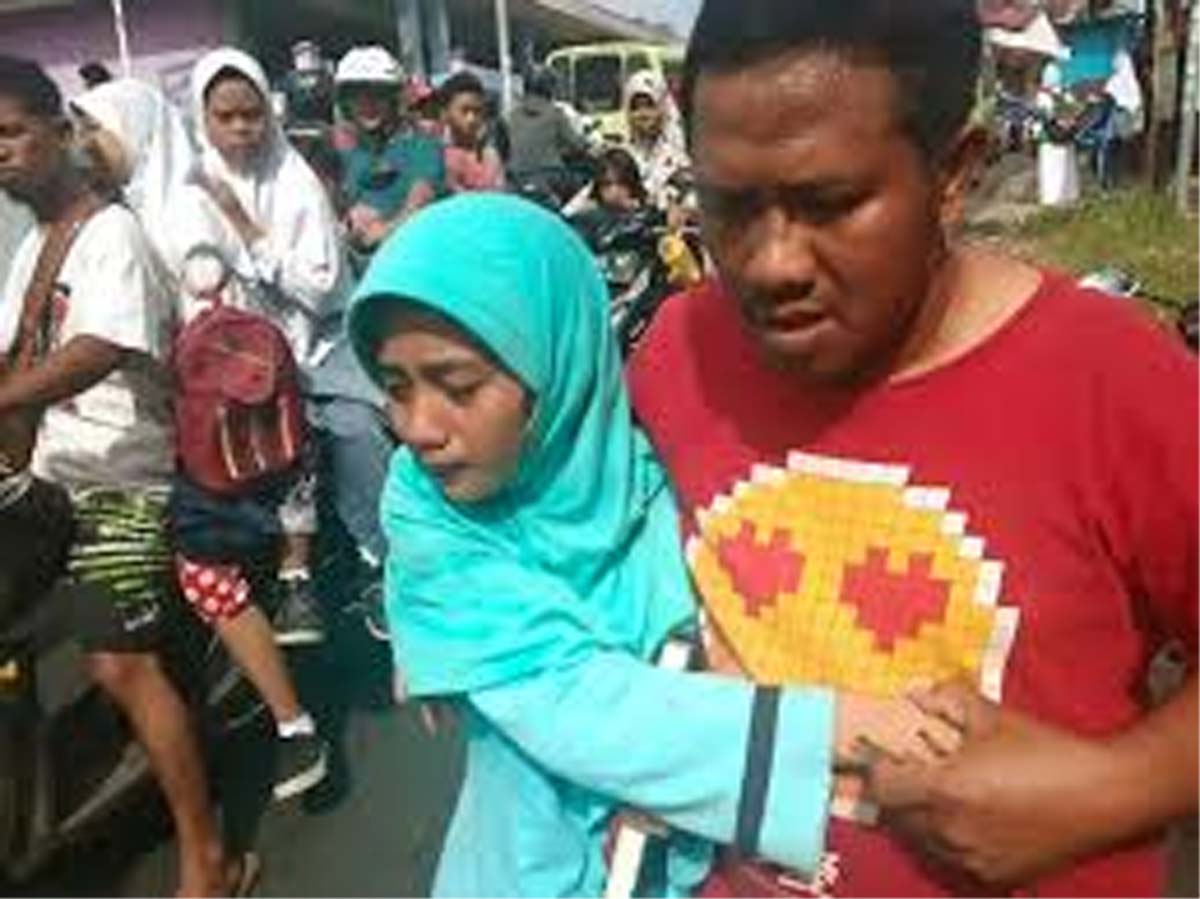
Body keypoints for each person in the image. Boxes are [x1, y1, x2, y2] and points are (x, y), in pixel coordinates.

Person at [628, 1, 1198, 896]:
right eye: (730, 205)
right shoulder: (675, 354)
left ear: (954, 173)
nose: (773, 263)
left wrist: (1106, 791)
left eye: (831, 204)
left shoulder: (1114, 382)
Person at [346, 193, 965, 897]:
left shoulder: (649, 472)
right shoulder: (427, 513)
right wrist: (837, 725)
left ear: (558, 368)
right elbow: (580, 705)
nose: (418, 427)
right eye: (395, 387)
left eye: (457, 386)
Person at [0, 55, 256, 897]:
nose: (0, 152)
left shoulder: (114, 233)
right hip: (46, 475)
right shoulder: (31, 247)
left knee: (119, 664)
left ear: (58, 132)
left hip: (121, 478)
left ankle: (207, 856)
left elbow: (98, 349)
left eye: (11, 132)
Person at [71, 76, 331, 802]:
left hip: (218, 428)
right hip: (192, 422)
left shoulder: (179, 212)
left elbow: (204, 335)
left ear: (137, 130)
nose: (86, 143)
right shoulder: (136, 209)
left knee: (202, 572)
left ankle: (295, 724)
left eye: (95, 128)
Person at [333, 46, 445, 256]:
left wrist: (384, 230)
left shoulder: (423, 147)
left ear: (394, 99)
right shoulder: (348, 157)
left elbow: (419, 204)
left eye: (378, 94)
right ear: (345, 102)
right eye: (357, 95)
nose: (367, 103)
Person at [505, 66, 592, 205]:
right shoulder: (555, 114)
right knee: (586, 184)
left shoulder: (511, 116)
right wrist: (587, 144)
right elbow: (577, 145)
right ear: (549, 89)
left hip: (516, 180)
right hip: (551, 176)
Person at [622, 69, 691, 214]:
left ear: (663, 107)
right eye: (635, 108)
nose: (643, 114)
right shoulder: (622, 155)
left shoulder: (681, 153)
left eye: (649, 106)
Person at [438, 71, 506, 194]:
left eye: (477, 111)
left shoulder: (491, 156)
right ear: (445, 114)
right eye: (464, 111)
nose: (472, 119)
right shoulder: (439, 158)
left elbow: (500, 194)